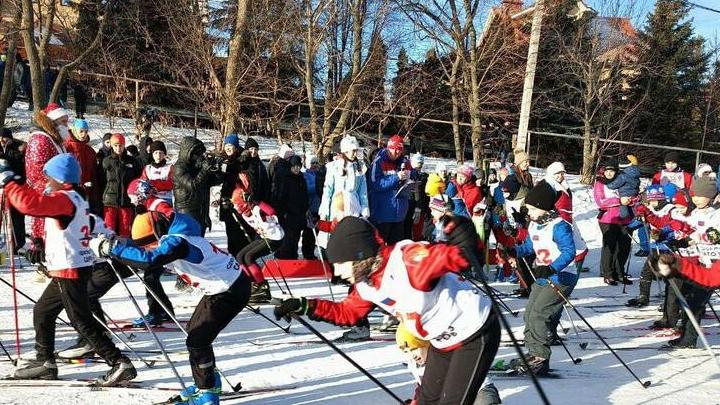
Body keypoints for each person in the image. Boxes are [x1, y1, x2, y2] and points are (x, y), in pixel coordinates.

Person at [273, 216, 500, 404]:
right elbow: (348, 313)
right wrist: (304, 305)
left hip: (475, 330)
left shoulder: (408, 261)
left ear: (360, 255)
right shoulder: (365, 284)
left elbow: (457, 258)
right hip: (442, 339)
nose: (339, 273)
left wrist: (464, 239)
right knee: (427, 401)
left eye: (341, 265)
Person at [0, 154, 136, 385]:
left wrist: (9, 182)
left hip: (70, 268)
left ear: (61, 179)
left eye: (48, 177)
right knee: (43, 311)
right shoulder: (74, 196)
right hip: (68, 267)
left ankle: (119, 362)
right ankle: (46, 362)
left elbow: (29, 205)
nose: (45, 181)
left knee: (81, 320)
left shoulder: (66, 198)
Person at [93, 210, 251, 405]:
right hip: (225, 287)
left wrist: (115, 249)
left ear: (159, 233)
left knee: (197, 340)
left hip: (229, 290)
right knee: (195, 332)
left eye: (151, 242)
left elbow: (150, 260)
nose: (150, 247)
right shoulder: (175, 237)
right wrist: (115, 244)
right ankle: (208, 382)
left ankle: (208, 394)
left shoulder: (177, 242)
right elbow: (144, 255)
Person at [636, 177, 717, 348]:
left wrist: (696, 239)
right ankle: (687, 337)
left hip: (714, 263)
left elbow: (712, 234)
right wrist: (679, 240)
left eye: (700, 196)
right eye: (694, 195)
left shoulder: (716, 214)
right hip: (703, 265)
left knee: (694, 301)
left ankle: (687, 335)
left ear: (710, 196)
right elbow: (685, 229)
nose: (696, 199)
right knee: (692, 301)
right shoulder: (694, 214)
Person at [507, 184, 576, 375]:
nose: (528, 212)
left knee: (539, 314)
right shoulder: (536, 224)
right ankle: (532, 353)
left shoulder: (559, 226)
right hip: (543, 277)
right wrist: (515, 251)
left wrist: (552, 267)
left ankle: (540, 357)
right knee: (529, 313)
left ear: (543, 207)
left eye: (531, 209)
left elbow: (570, 252)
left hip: (561, 277)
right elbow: (530, 246)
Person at [395, 322, 501, 405]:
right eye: (406, 351)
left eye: (414, 349)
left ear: (427, 343)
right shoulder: (414, 363)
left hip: (479, 391)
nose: (411, 355)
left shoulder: (447, 355)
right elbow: (422, 388)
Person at [24, 103, 70, 267]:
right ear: (54, 122)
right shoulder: (40, 139)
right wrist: (60, 186)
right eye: (64, 122)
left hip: (57, 198)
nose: (67, 126)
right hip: (46, 199)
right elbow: (37, 173)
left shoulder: (55, 140)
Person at [625, 185, 677, 308]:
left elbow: (671, 226)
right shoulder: (650, 209)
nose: (651, 203)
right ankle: (643, 296)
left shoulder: (670, 209)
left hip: (668, 247)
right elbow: (643, 220)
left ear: (661, 199)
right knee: (646, 271)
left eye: (654, 200)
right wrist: (629, 226)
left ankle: (670, 302)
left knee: (668, 275)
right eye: (650, 200)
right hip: (655, 247)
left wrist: (662, 233)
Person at [231, 186, 285, 304]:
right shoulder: (245, 212)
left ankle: (262, 288)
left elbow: (271, 212)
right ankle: (251, 285)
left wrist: (257, 201)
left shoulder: (257, 209)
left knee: (249, 257)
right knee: (240, 256)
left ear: (244, 203)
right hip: (264, 237)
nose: (235, 207)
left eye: (237, 204)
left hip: (274, 239)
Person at [317, 135, 369, 248]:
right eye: (352, 150)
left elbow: (362, 192)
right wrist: (324, 212)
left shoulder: (360, 168)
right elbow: (327, 190)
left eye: (356, 150)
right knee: (336, 237)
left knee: (351, 239)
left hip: (353, 207)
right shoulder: (334, 167)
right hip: (337, 207)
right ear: (345, 151)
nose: (355, 153)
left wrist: (364, 210)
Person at [594, 160, 633, 285]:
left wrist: (634, 199)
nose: (609, 173)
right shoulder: (600, 184)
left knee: (624, 247)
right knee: (610, 248)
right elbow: (601, 202)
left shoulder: (623, 181)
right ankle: (608, 273)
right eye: (607, 171)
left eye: (612, 171)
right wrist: (619, 200)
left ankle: (619, 272)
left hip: (624, 219)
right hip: (608, 219)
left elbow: (631, 195)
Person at [369, 135, 412, 244]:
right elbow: (376, 184)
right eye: (393, 149)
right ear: (388, 147)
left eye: (399, 150)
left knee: (396, 250)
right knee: (381, 250)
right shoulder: (379, 161)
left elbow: (412, 177)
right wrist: (396, 177)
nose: (396, 153)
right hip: (383, 214)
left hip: (399, 214)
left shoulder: (405, 162)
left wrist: (410, 180)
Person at [173, 136, 221, 236]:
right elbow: (193, 185)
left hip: (201, 208)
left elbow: (213, 181)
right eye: (196, 153)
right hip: (186, 210)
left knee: (200, 241)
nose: (198, 156)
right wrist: (204, 170)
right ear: (188, 152)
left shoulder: (197, 166)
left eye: (200, 153)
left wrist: (216, 169)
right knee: (190, 241)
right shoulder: (179, 167)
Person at [217, 134, 250, 257]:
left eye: (230, 146)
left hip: (239, 200)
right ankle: (233, 255)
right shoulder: (222, 160)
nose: (228, 148)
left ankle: (243, 256)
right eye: (226, 145)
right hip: (226, 199)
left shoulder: (242, 160)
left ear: (236, 147)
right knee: (230, 230)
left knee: (241, 230)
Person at [102, 133, 142, 237]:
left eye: (120, 145)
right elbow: (100, 179)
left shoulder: (132, 161)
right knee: (108, 228)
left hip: (126, 201)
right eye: (115, 145)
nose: (118, 148)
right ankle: (107, 250)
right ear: (111, 145)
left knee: (125, 229)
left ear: (124, 145)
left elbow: (138, 179)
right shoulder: (106, 161)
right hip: (110, 200)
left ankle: (125, 250)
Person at [275, 155, 309, 259]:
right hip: (288, 214)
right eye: (294, 166)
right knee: (288, 240)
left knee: (296, 238)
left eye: (298, 166)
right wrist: (283, 212)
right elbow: (281, 197)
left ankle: (293, 257)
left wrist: (306, 209)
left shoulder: (301, 179)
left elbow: (304, 196)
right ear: (290, 167)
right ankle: (284, 258)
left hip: (300, 214)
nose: (296, 169)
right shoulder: (286, 179)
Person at [65, 118, 101, 214]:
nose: (83, 134)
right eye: (81, 131)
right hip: (70, 194)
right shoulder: (66, 148)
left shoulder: (90, 151)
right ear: (74, 131)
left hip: (87, 195)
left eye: (86, 131)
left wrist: (95, 198)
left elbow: (94, 176)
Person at [0, 129, 26, 251]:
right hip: (2, 188)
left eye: (4, 138)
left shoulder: (18, 149)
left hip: (16, 187)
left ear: (10, 138)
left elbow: (22, 167)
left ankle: (18, 244)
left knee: (16, 216)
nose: (2, 140)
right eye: (0, 138)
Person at [606, 154, 641, 220]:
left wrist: (608, 185)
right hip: (634, 193)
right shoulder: (636, 174)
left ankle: (624, 218)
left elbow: (615, 184)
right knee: (633, 208)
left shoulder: (623, 176)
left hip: (625, 194)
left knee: (623, 208)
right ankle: (635, 217)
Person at [302, 156, 323, 259]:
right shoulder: (306, 175)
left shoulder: (320, 174)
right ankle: (307, 253)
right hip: (311, 207)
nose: (315, 165)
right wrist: (318, 185)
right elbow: (307, 189)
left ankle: (312, 252)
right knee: (309, 232)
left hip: (320, 207)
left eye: (316, 163)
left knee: (317, 231)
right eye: (312, 163)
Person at [405, 153, 429, 241]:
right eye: (419, 164)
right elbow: (415, 192)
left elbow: (422, 194)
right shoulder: (410, 174)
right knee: (408, 229)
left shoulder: (424, 177)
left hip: (418, 206)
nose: (420, 167)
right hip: (410, 205)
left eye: (421, 164)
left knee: (416, 231)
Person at [242, 137, 270, 203]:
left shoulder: (260, 164)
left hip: (258, 198)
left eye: (255, 149)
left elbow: (265, 182)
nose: (253, 151)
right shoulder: (242, 162)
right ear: (247, 150)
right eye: (251, 149)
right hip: (244, 198)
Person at [269, 143, 295, 215]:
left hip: (284, 197)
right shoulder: (275, 164)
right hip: (277, 196)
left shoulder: (290, 165)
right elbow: (269, 179)